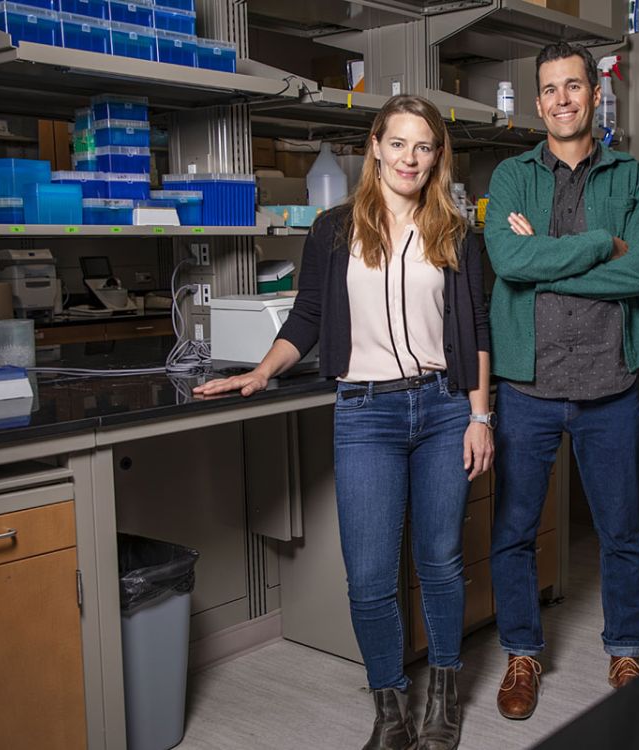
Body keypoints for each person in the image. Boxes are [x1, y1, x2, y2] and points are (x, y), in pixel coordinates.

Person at [194, 95, 493, 750]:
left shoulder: (457, 232)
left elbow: (477, 331)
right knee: (368, 575)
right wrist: (262, 370)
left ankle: (443, 690)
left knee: (440, 560)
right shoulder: (334, 229)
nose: (409, 158)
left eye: (424, 146)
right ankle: (390, 712)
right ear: (375, 147)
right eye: (398, 143)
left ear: (437, 155)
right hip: (366, 413)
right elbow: (306, 319)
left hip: (444, 409)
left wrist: (480, 416)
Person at [483, 41, 639, 719]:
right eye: (550, 89)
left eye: (573, 86)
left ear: (594, 95)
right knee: (513, 530)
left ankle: (625, 649)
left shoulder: (630, 177)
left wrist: (546, 257)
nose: (562, 99)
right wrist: (599, 245)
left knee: (622, 530)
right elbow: (507, 260)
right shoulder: (509, 176)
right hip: (527, 390)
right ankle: (523, 653)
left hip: (609, 385)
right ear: (537, 103)